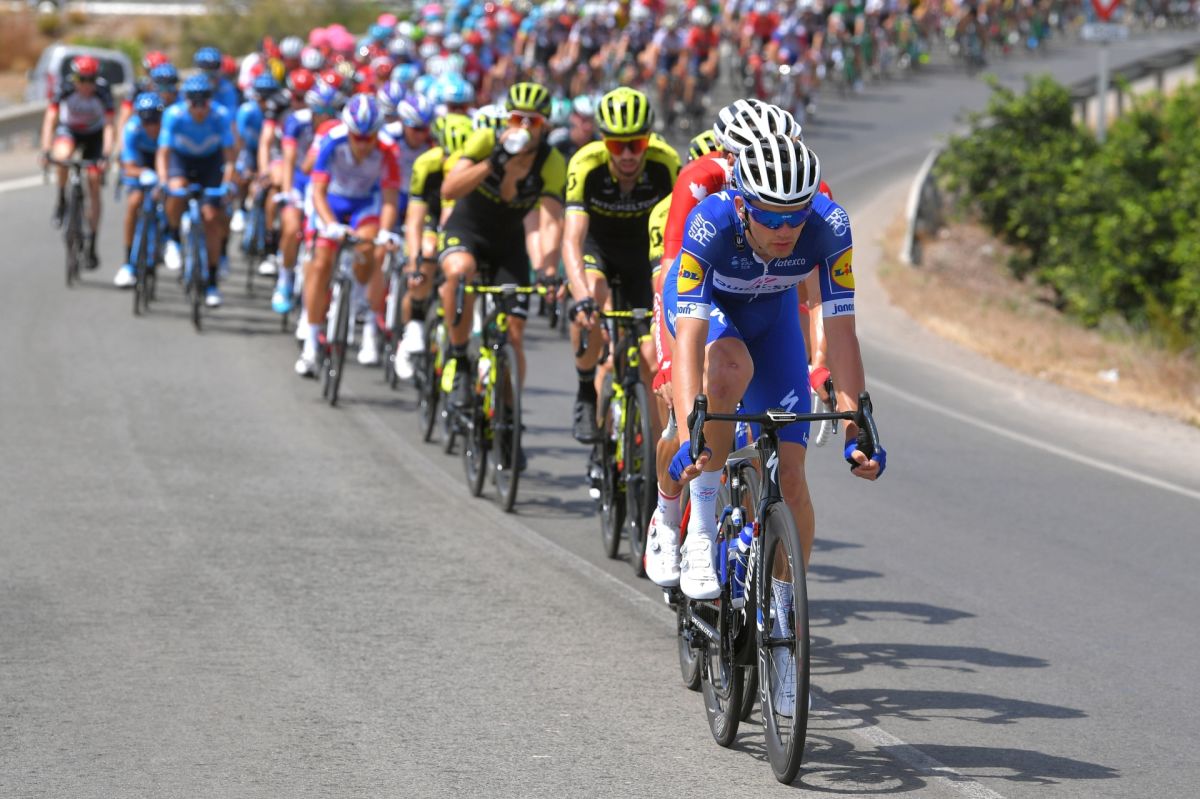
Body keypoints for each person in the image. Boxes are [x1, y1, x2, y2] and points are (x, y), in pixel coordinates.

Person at [665, 133, 885, 714]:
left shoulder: (830, 224)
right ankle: (699, 526)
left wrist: (858, 423)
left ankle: (783, 619)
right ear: (742, 204)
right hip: (710, 312)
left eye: (796, 215)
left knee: (791, 476)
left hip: (774, 317)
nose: (786, 229)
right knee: (726, 373)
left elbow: (841, 331)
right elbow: (689, 339)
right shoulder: (710, 223)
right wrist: (689, 428)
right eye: (770, 215)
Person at [438, 82, 566, 419]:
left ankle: (509, 414)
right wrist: (491, 163)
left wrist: (549, 270)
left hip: (508, 243)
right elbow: (449, 189)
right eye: (516, 119)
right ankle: (459, 359)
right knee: (459, 272)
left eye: (532, 121)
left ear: (545, 126)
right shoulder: (486, 140)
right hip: (467, 230)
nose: (523, 127)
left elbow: (550, 222)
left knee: (514, 334)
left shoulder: (552, 162)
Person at [562, 86, 680, 444]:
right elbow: (571, 239)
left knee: (651, 358)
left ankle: (655, 454)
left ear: (649, 138)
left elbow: (679, 234)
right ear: (603, 140)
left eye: (636, 143)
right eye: (617, 145)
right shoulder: (585, 164)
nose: (627, 154)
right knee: (590, 300)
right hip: (598, 250)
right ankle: (586, 391)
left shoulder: (665, 163)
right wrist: (581, 297)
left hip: (644, 256)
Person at [295, 95, 402, 376]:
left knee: (370, 248)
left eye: (369, 138)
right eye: (358, 137)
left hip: (364, 205)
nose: (363, 144)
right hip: (330, 202)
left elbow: (390, 199)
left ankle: (355, 299)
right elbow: (317, 191)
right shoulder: (332, 141)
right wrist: (330, 224)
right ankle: (311, 342)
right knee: (320, 262)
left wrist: (386, 231)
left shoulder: (388, 149)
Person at [158, 74, 236, 307]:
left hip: (210, 162)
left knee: (211, 217)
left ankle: (212, 282)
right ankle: (173, 238)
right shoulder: (174, 115)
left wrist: (227, 184)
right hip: (181, 160)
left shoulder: (220, 115)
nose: (200, 109)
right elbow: (163, 152)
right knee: (176, 189)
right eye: (195, 103)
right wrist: (163, 180)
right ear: (187, 101)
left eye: (204, 103)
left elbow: (229, 157)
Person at [40, 55, 115, 270]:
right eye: (81, 79)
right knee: (62, 157)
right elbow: (50, 119)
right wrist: (46, 150)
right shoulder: (64, 88)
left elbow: (109, 125)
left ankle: (92, 242)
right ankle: (61, 199)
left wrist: (106, 154)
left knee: (94, 179)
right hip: (69, 130)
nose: (86, 85)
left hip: (94, 135)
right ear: (74, 78)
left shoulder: (103, 91)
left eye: (91, 80)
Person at [113, 92, 165, 288]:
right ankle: (128, 262)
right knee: (134, 202)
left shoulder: (168, 127)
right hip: (140, 166)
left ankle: (171, 239)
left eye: (154, 121)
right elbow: (128, 166)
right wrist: (143, 173)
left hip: (163, 165)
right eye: (146, 121)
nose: (151, 126)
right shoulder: (132, 128)